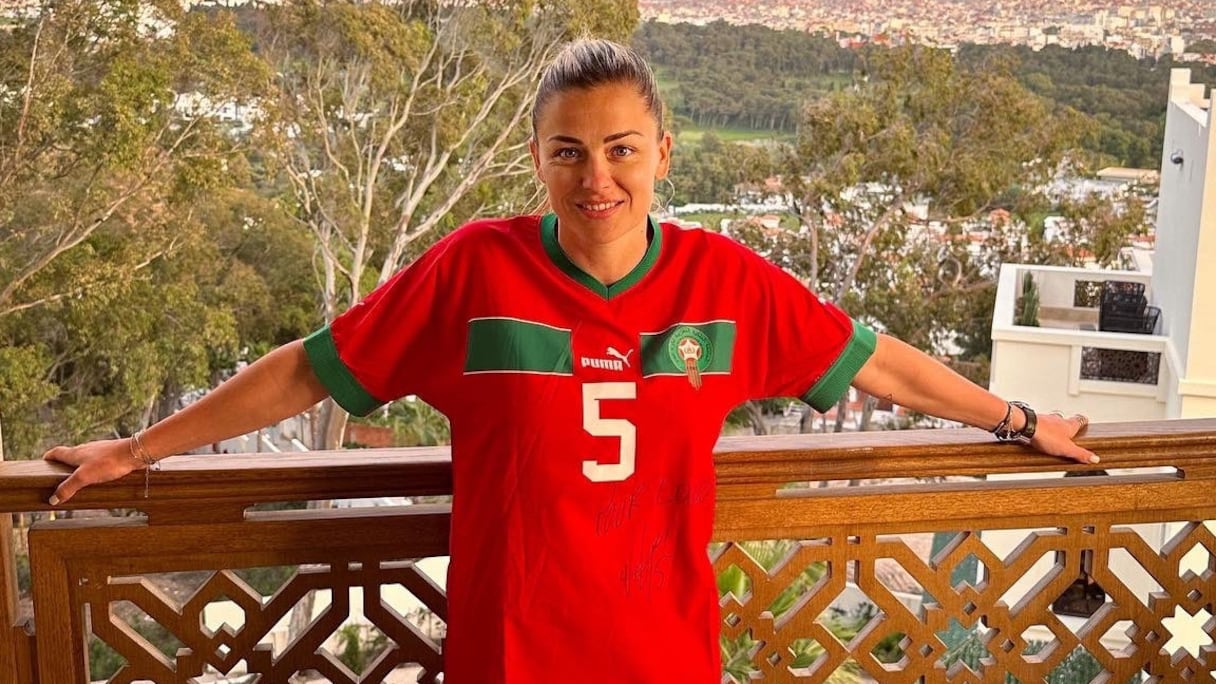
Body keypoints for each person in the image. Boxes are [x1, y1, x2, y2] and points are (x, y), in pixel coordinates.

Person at [44, 38, 1096, 683]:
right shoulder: (474, 271)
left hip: (664, 657)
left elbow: (880, 365)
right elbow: (312, 369)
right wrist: (141, 449)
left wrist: (1018, 422)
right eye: (569, 151)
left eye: (621, 148)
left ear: (662, 152)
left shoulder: (727, 284)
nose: (598, 177)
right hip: (508, 656)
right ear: (539, 159)